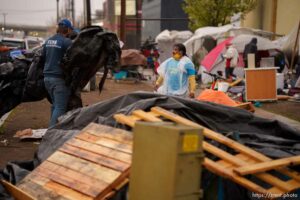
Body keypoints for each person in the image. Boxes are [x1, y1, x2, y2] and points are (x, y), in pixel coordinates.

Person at [42, 19, 73, 127]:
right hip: (58, 79)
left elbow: (43, 57)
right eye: (70, 30)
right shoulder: (66, 42)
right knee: (60, 107)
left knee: (55, 105)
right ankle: (52, 133)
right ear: (67, 29)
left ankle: (52, 129)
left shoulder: (48, 41)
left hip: (47, 78)